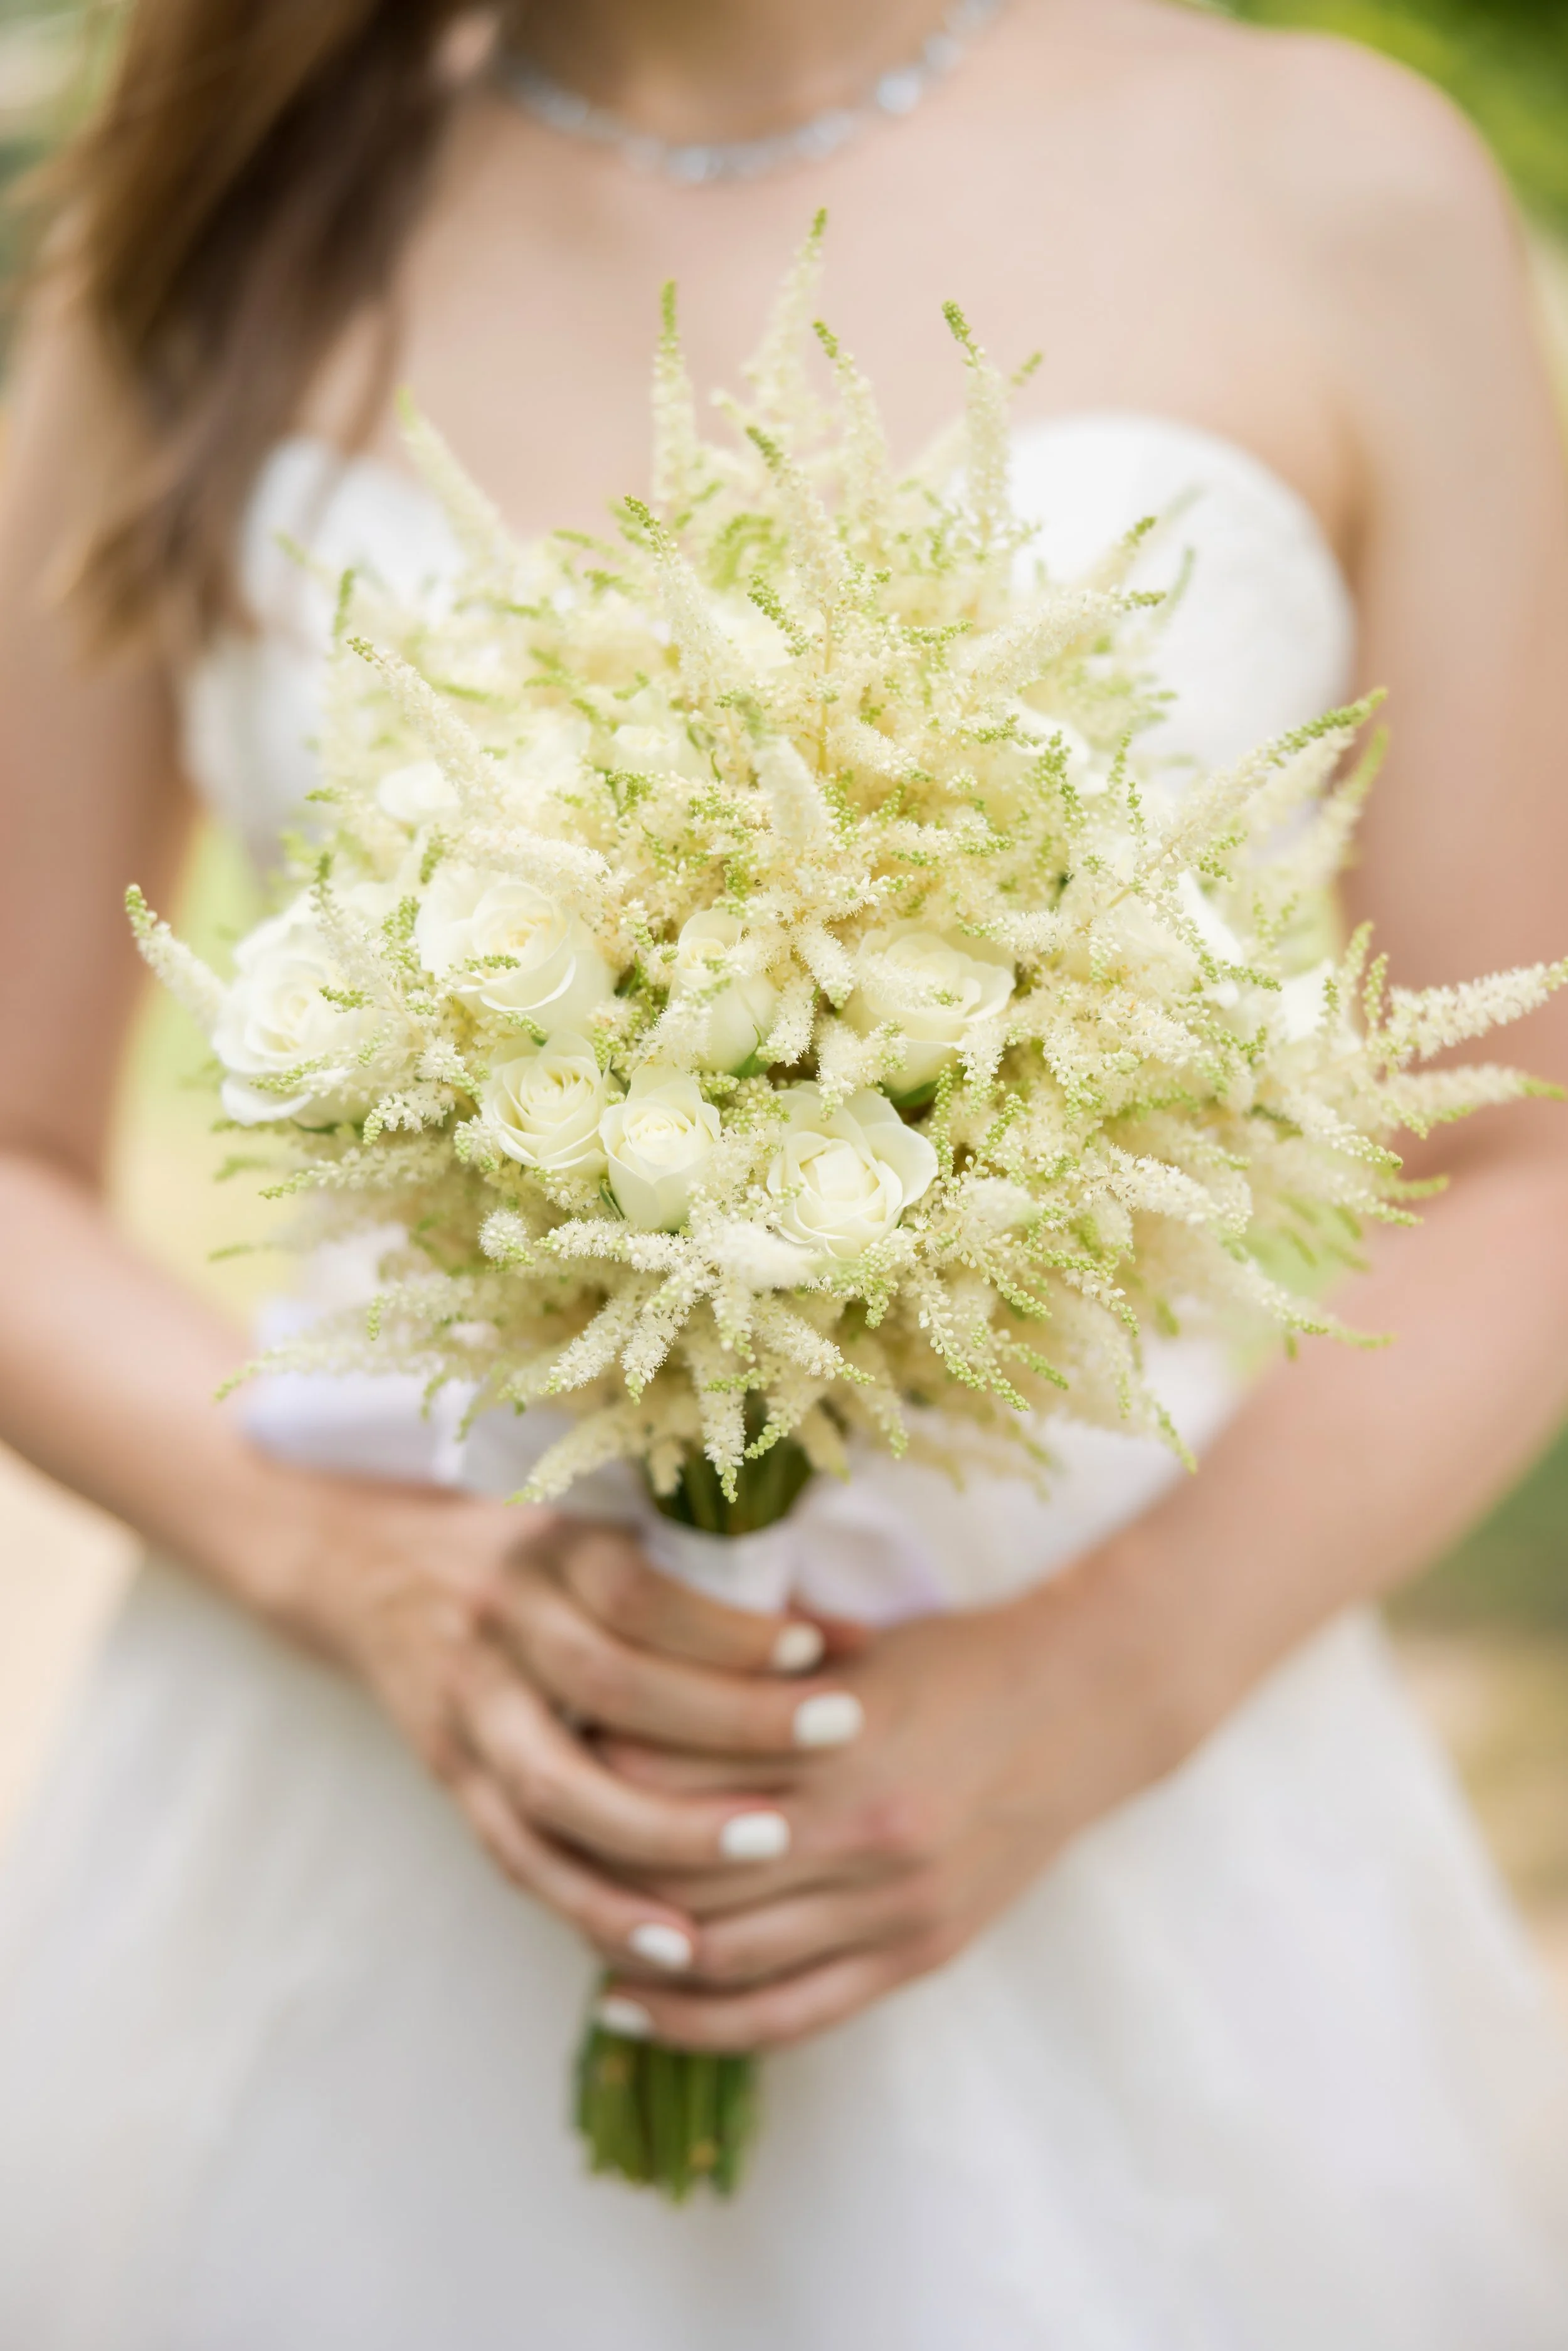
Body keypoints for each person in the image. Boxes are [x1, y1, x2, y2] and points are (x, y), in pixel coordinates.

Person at [2, 0, 1567, 2341]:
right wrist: (357, 1570)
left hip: (1116, 1797)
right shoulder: (220, 218)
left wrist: (1090, 1690)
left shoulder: (1338, 185)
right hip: (363, 1803)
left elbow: (1523, 1158)